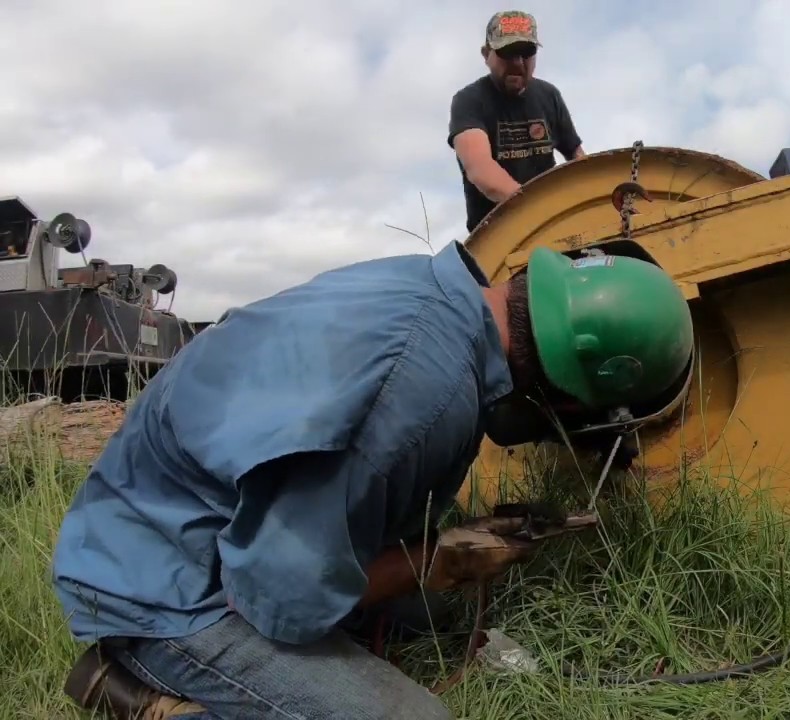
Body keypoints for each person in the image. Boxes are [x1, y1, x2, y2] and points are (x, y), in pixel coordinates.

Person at [51, 240, 695, 719]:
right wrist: (436, 558)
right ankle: (138, 688)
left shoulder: (439, 297)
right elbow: (281, 599)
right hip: (168, 582)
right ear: (573, 395)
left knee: (440, 613)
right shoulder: (414, 398)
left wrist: (440, 561)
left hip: (196, 514)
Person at [449, 10, 585, 233]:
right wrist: (541, 211)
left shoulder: (549, 95)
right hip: (497, 237)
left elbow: (576, 156)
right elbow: (481, 171)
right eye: (508, 52)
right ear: (486, 55)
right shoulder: (469, 101)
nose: (518, 62)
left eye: (526, 53)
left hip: (553, 225)